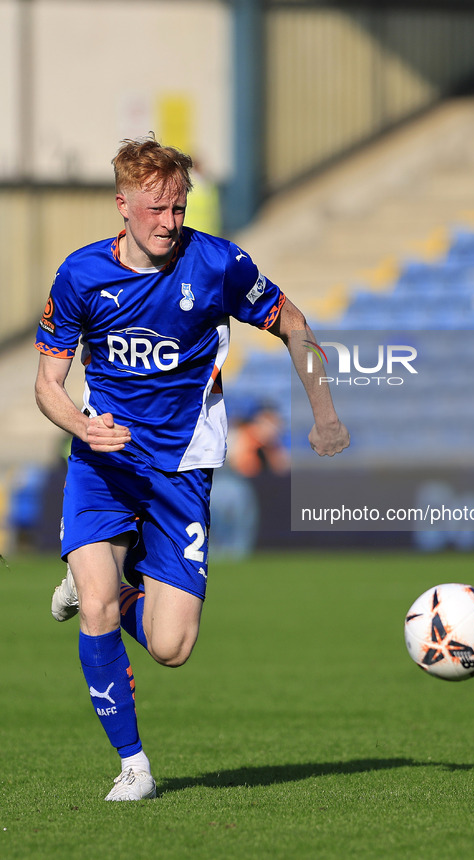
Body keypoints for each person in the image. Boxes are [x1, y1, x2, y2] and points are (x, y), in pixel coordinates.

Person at [34, 134, 350, 801]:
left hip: (182, 470)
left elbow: (290, 321)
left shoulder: (216, 264)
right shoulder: (81, 275)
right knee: (93, 605)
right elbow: (47, 385)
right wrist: (80, 424)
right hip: (104, 462)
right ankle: (134, 766)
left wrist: (322, 411)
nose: (170, 222)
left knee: (171, 647)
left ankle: (108, 592)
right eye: (157, 209)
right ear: (123, 205)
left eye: (179, 207)